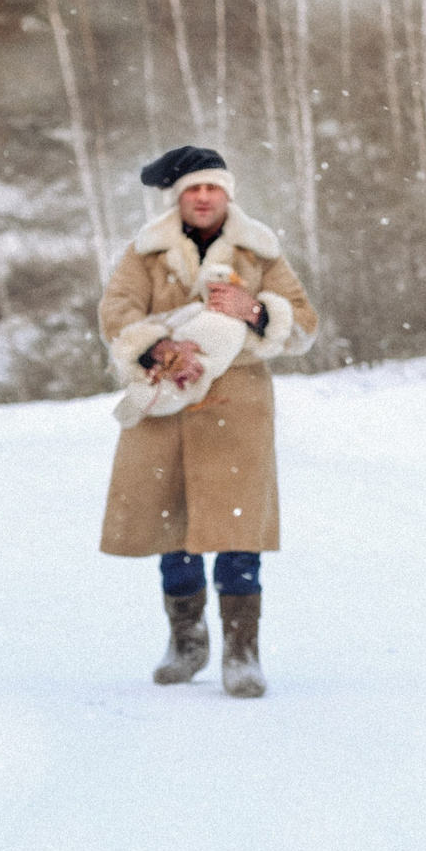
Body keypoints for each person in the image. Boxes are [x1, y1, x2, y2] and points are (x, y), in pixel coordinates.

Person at [99, 146, 317, 695]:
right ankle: (187, 643)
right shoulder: (145, 252)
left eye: (212, 188)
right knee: (173, 528)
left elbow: (305, 324)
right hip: (166, 401)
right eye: (193, 189)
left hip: (237, 407)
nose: (202, 198)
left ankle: (243, 654)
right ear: (178, 196)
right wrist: (157, 348)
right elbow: (116, 312)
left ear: (227, 194)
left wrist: (258, 312)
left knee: (238, 533)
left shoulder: (259, 251)